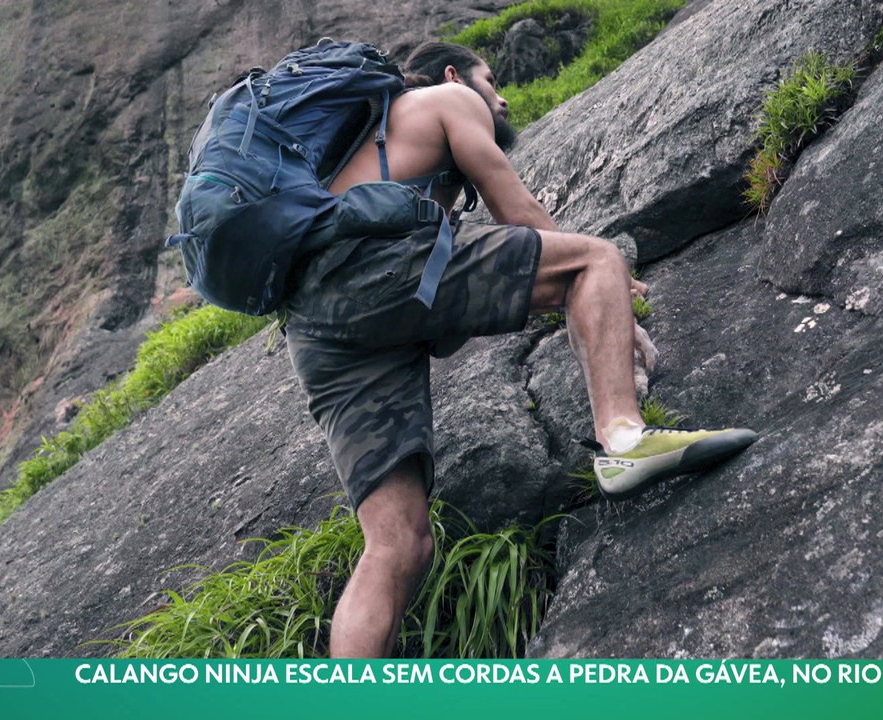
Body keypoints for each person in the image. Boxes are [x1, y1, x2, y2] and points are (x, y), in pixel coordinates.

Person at [283, 41, 756, 657]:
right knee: (596, 255)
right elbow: (520, 213)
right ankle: (623, 439)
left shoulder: (354, 149)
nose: (501, 98)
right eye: (493, 80)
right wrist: (609, 299)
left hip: (313, 324)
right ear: (456, 75)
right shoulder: (445, 99)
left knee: (398, 544)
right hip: (373, 269)